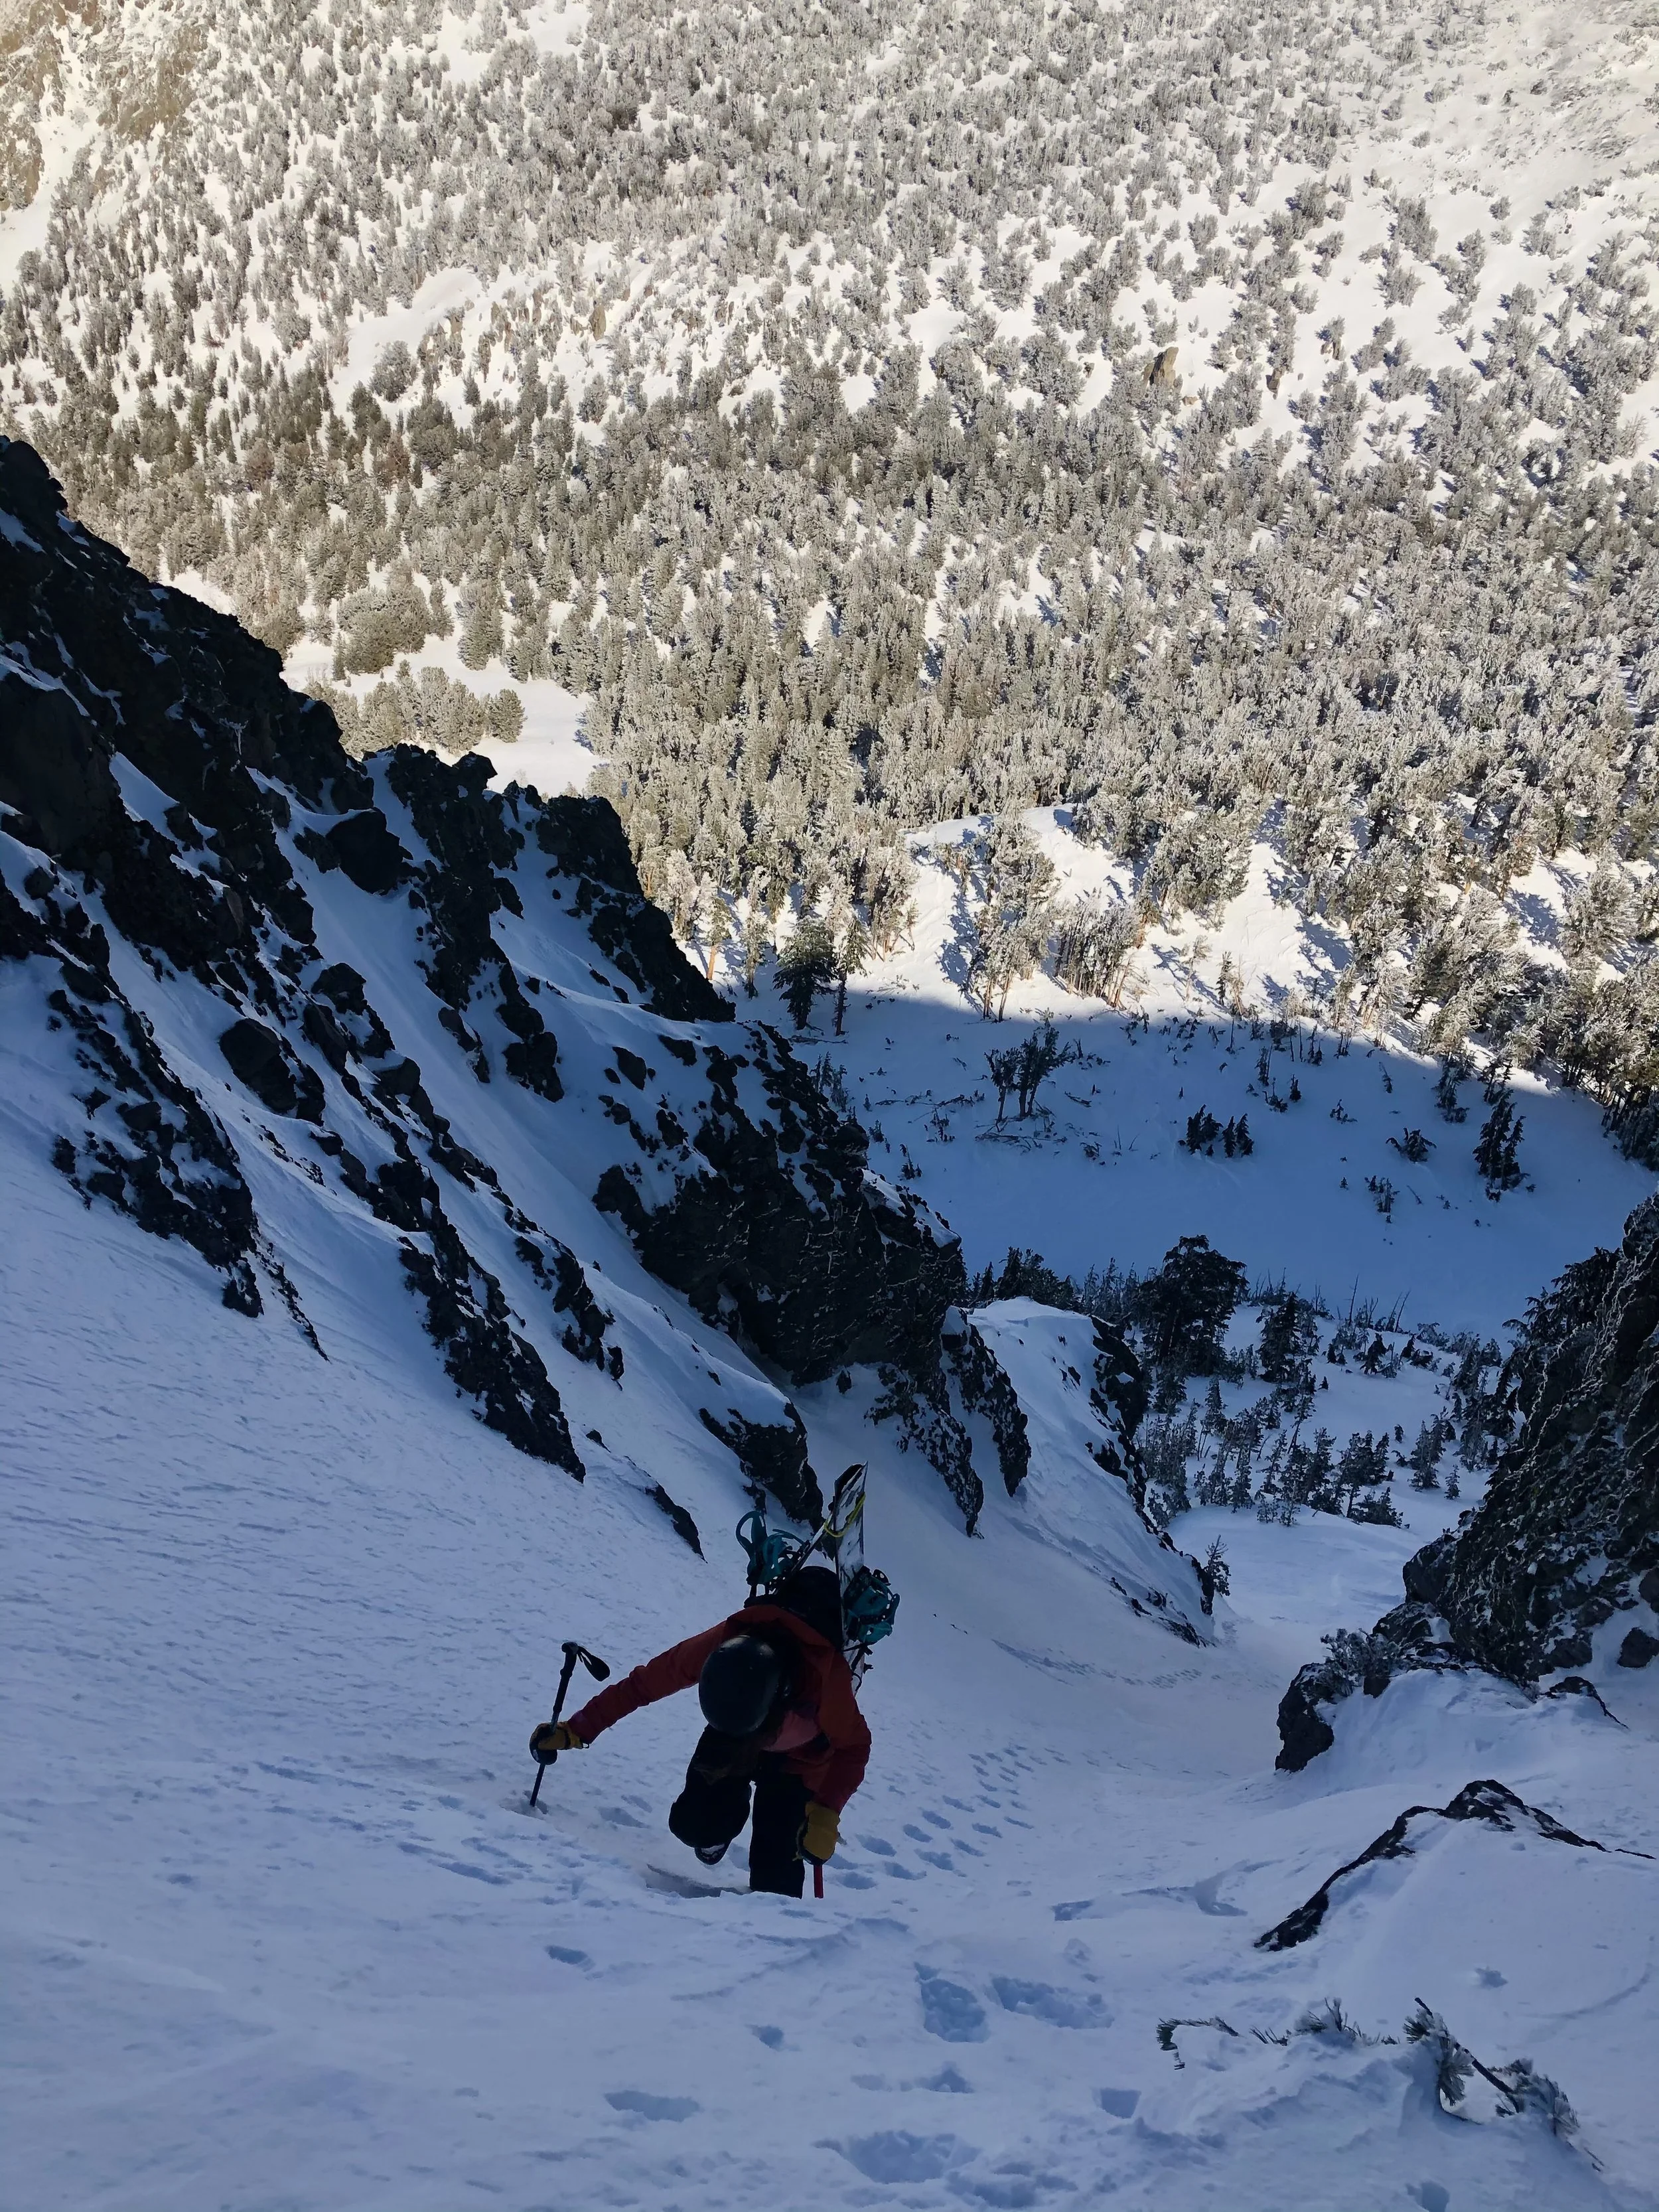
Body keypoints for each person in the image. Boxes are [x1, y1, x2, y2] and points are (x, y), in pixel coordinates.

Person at [530, 1566, 869, 1895]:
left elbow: (854, 1748)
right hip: (732, 1734)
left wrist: (826, 1811)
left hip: (802, 1764)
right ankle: (715, 1831)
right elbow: (643, 1685)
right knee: (692, 1824)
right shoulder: (724, 1645)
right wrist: (576, 1730)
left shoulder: (826, 1681)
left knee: (775, 1881)